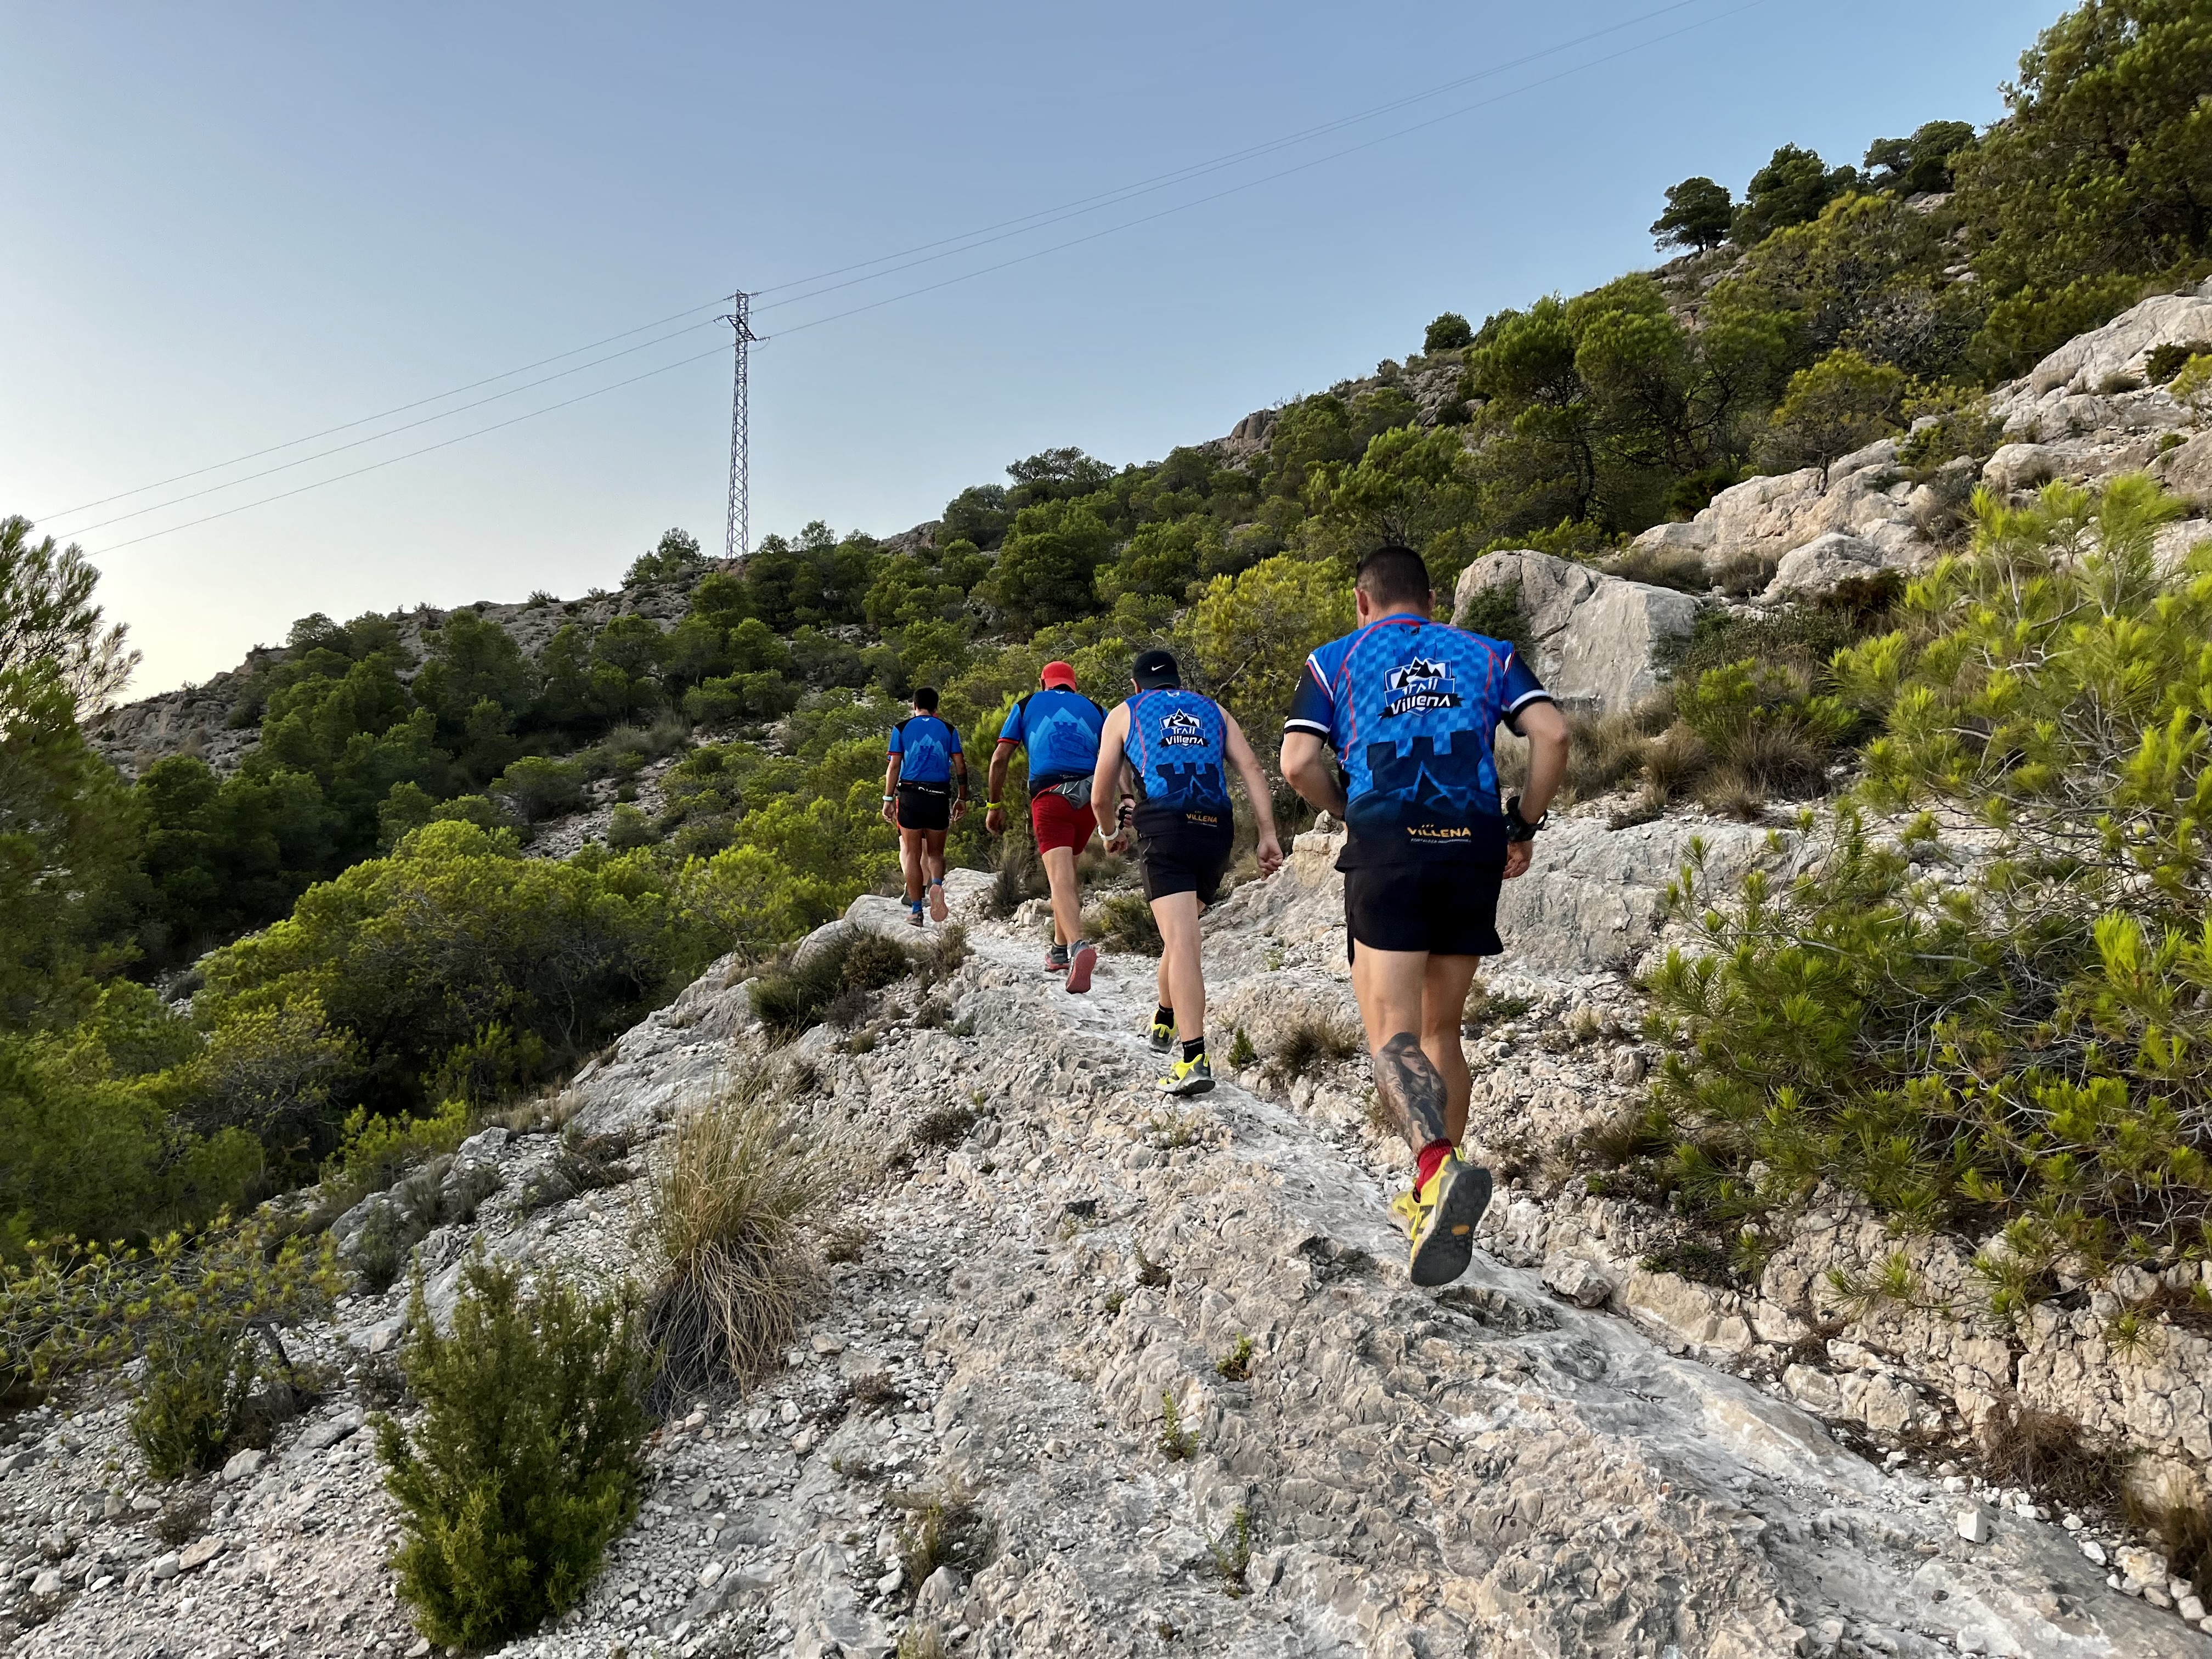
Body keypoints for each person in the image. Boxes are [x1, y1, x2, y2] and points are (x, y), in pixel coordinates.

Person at [1279, 544, 1570, 1287]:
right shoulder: (1488, 653)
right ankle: (1430, 1200)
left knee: (1393, 1033)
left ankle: (1436, 1169)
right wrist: (1524, 824)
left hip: (1389, 849)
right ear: (1432, 601)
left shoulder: (1335, 661)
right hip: (1471, 848)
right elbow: (1553, 735)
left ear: (1362, 602)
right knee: (1444, 1031)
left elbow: (1297, 763)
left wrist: (1347, 808)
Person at [1092, 648, 1283, 1096]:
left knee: (1182, 942)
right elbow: (1253, 768)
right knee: (1182, 935)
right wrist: (1268, 835)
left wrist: (1109, 832)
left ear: (1137, 685)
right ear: (1177, 681)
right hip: (1215, 831)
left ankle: (1194, 1058)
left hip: (1167, 827)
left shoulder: (1126, 712)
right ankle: (1164, 1016)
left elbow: (1101, 795)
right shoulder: (1214, 711)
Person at [985, 661, 1108, 992]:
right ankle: (1058, 950)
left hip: (1051, 798)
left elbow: (999, 758)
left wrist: (994, 805)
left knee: (1059, 878)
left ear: (1043, 682)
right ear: (1074, 685)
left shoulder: (1027, 705)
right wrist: (1123, 800)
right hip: (1089, 800)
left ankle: (1078, 946)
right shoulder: (1097, 710)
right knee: (1067, 874)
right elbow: (1119, 755)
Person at [882, 687, 969, 927]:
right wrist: (962, 798)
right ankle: (937, 885)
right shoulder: (949, 730)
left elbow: (894, 766)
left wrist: (888, 799)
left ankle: (916, 911)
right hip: (938, 796)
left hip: (910, 796)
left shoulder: (901, 728)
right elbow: (961, 766)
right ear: (936, 708)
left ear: (914, 706)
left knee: (912, 854)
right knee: (935, 854)